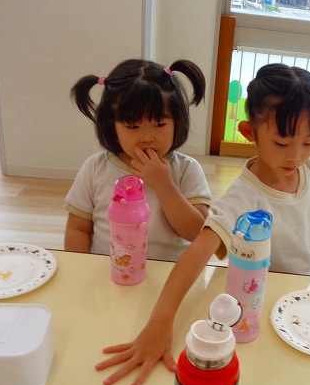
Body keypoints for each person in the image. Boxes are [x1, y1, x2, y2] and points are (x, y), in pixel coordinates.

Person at [95, 63, 310, 385]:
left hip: (307, 288)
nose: (295, 156)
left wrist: (305, 101)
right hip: (265, 300)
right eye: (282, 143)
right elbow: (195, 254)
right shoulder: (242, 198)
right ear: (249, 132)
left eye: (308, 141)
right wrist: (159, 325)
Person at [64, 59, 211, 261]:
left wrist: (164, 186)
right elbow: (78, 229)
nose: (147, 137)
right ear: (112, 127)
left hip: (169, 274)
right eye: (133, 126)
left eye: (159, 124)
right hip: (109, 271)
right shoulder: (95, 168)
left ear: (177, 122)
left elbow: (198, 232)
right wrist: (80, 268)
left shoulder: (187, 169)